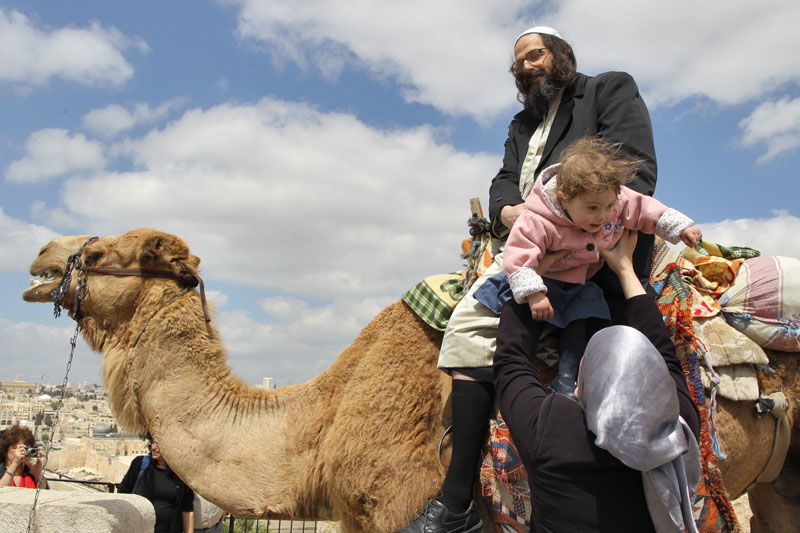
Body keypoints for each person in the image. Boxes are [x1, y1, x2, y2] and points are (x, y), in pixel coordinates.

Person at [405, 25, 658, 532]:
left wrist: (560, 221)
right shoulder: (521, 124)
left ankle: (460, 501)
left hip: (594, 247)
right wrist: (509, 212)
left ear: (562, 55)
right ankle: (461, 500)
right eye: (519, 61)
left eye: (535, 54)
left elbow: (636, 171)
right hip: (528, 246)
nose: (526, 65)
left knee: (482, 332)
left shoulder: (607, 89)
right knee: (463, 323)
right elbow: (502, 179)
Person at [494, 230, 701, 532]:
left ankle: (454, 505)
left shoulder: (554, 428)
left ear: (582, 385)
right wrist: (625, 269)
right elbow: (666, 357)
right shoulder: (677, 427)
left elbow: (510, 362)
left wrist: (533, 278)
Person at [494, 137, 701, 397]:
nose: (602, 216)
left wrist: (680, 227)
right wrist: (535, 294)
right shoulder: (537, 219)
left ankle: (568, 380)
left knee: (585, 316)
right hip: (543, 280)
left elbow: (641, 208)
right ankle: (514, 376)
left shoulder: (611, 201)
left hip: (580, 284)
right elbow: (519, 253)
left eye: (608, 206)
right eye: (592, 208)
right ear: (563, 199)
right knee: (525, 318)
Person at [118, 435, 194, 533]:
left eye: (158, 443)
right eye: (152, 442)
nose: (153, 447)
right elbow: (123, 494)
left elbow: (187, 509)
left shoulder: (181, 473)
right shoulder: (140, 464)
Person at [0, 424, 46, 489]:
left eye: (25, 448)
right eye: (15, 447)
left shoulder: (31, 474)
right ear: (5, 450)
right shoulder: (1, 471)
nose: (21, 451)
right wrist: (14, 464)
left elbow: (44, 494)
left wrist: (38, 475)